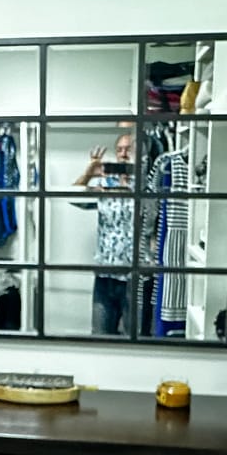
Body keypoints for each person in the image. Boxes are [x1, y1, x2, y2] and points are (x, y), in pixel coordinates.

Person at [74, 130, 135, 335]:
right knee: (99, 337)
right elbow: (71, 196)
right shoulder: (104, 187)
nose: (123, 154)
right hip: (104, 277)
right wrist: (89, 173)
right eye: (119, 150)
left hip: (132, 278)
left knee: (133, 340)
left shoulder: (146, 186)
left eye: (128, 149)